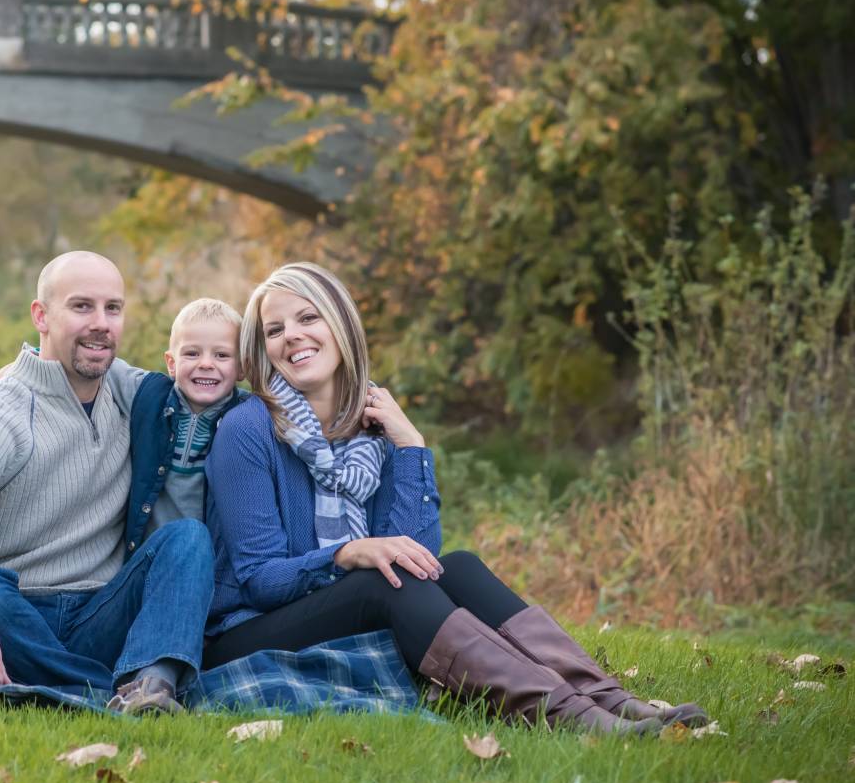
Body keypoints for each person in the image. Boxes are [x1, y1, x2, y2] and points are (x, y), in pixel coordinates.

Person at [202, 261, 708, 734]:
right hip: (248, 632)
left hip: (344, 608)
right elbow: (259, 578)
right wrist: (345, 553)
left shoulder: (373, 429)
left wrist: (410, 446)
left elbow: (420, 553)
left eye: (308, 317)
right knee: (385, 584)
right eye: (274, 329)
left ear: (341, 326)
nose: (292, 335)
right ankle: (571, 717)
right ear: (263, 347)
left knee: (457, 566)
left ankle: (610, 699)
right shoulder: (247, 429)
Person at [0, 251, 213, 715]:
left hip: (100, 613)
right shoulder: (0, 410)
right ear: (41, 316)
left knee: (187, 539)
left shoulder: (131, 393)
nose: (101, 324)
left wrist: (362, 397)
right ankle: (114, 689)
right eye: (82, 306)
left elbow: (211, 384)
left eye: (113, 308)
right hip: (15, 610)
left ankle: (151, 683)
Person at [124, 298, 247, 555]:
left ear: (242, 367)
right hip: (146, 559)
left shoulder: (250, 417)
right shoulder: (149, 397)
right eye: (192, 353)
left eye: (221, 355)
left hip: (209, 566)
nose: (205, 364)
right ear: (171, 363)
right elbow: (104, 368)